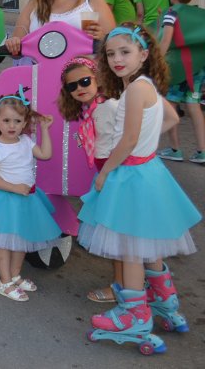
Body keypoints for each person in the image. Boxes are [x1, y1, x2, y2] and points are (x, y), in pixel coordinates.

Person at [78, 23, 200, 343]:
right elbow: (170, 119)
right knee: (149, 244)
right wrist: (147, 145)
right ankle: (165, 303)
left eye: (125, 52)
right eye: (111, 53)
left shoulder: (134, 89)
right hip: (149, 171)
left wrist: (106, 172)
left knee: (131, 247)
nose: (117, 59)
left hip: (131, 174)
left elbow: (129, 139)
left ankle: (135, 315)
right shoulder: (147, 87)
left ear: (143, 54)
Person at [0, 92, 60, 302]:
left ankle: (15, 275)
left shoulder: (25, 141)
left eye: (17, 121)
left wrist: (44, 130)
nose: (11, 125)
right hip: (5, 200)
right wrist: (14, 188)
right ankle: (5, 282)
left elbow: (45, 155)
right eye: (6, 120)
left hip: (27, 199)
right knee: (6, 244)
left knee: (22, 240)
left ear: (25, 122)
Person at [56, 57, 121, 303]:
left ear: (98, 80)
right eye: (72, 86)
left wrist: (108, 174)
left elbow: (123, 143)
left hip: (115, 175)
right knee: (120, 234)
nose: (79, 89)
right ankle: (136, 285)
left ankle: (123, 287)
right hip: (108, 173)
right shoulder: (91, 110)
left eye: (84, 81)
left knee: (117, 234)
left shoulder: (107, 108)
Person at [158, 0, 205, 163]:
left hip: (177, 69)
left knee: (171, 107)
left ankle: (175, 149)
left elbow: (165, 40)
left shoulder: (171, 13)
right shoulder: (198, 14)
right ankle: (202, 151)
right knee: (194, 107)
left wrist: (157, 62)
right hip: (197, 68)